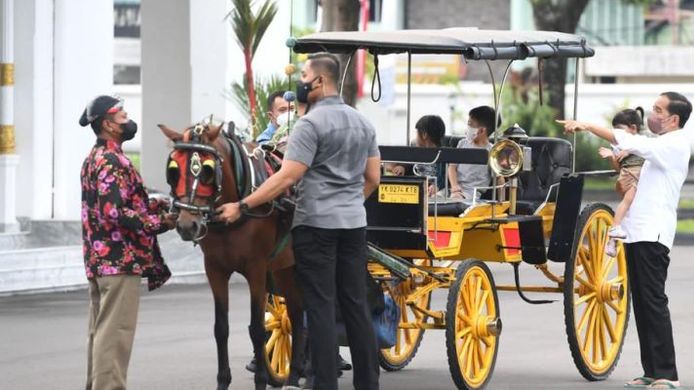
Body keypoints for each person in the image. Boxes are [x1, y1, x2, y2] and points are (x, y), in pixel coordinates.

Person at [216, 53, 381, 390]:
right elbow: (373, 178)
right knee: (354, 303)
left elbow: (287, 177)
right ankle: (368, 384)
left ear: (319, 81)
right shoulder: (362, 122)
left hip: (316, 225)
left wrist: (242, 205)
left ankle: (325, 385)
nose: (300, 82)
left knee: (319, 307)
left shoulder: (310, 124)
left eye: (304, 75)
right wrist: (348, 203)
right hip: (353, 225)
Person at [557, 91, 693, 390]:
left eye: (658, 110)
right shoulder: (661, 144)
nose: (652, 115)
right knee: (642, 304)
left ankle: (667, 375)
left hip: (652, 233)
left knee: (653, 303)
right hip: (638, 230)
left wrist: (587, 126)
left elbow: (629, 142)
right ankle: (651, 371)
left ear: (673, 119)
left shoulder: (674, 144)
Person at [79, 95, 177, 390]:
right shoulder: (110, 160)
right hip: (118, 260)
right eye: (121, 114)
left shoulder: (95, 157)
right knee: (115, 334)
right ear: (108, 124)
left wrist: (154, 204)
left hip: (103, 261)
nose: (127, 118)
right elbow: (115, 212)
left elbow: (118, 202)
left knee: (101, 332)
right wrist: (160, 223)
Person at [598, 107, 646, 257]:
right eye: (615, 130)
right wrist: (612, 156)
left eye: (619, 129)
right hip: (630, 176)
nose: (616, 133)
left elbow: (643, 148)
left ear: (633, 128)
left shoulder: (641, 141)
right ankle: (614, 228)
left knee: (628, 212)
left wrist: (629, 149)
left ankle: (613, 241)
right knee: (626, 203)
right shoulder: (619, 145)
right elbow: (619, 168)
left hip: (636, 176)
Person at [447, 106, 500, 200]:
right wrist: (454, 186)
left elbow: (499, 178)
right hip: (452, 189)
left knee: (455, 199)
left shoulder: (492, 152)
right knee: (429, 197)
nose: (467, 128)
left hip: (471, 193)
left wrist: (501, 201)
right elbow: (452, 167)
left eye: (470, 124)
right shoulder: (462, 144)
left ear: (482, 130)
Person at [389, 115, 447, 196]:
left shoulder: (442, 154)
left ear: (424, 134)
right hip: (415, 187)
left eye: (417, 133)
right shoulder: (415, 150)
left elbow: (445, 176)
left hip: (432, 191)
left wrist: (437, 186)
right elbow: (409, 163)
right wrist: (402, 167)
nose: (415, 137)